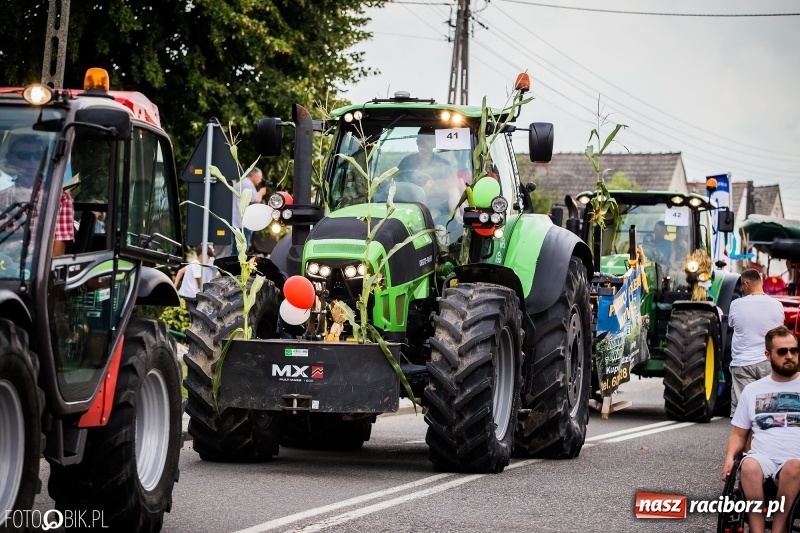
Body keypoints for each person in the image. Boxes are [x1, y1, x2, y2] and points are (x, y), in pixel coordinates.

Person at [722, 325, 800, 533]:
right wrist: (730, 457)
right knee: (748, 466)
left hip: (796, 461)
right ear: (768, 355)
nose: (790, 356)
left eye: (794, 350)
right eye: (782, 352)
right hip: (762, 458)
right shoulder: (752, 391)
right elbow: (739, 434)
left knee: (793, 467)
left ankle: (778, 530)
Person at [0, 134, 73, 256]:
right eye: (25, 156)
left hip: (36, 269)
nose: (32, 161)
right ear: (10, 159)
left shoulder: (60, 199)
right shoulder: (1, 198)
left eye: (37, 156)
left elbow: (57, 252)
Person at [728, 268, 786, 416]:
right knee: (768, 411)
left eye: (742, 285)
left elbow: (732, 325)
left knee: (743, 412)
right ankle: (764, 438)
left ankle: (743, 439)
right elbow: (779, 332)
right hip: (767, 362)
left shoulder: (736, 304)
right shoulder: (777, 305)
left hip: (742, 364)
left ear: (746, 284)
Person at [397, 127, 464, 228]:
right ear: (417, 142)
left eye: (428, 140)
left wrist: (455, 213)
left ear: (434, 143)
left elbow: (452, 192)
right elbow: (397, 186)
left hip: (436, 209)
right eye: (422, 140)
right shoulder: (406, 162)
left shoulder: (444, 166)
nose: (424, 144)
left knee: (438, 222)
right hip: (407, 207)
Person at [229, 167, 267, 256]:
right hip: (244, 222)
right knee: (242, 249)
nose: (260, 181)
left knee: (236, 248)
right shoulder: (248, 185)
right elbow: (256, 200)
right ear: (255, 177)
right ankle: (238, 267)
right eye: (260, 178)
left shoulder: (240, 183)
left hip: (236, 221)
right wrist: (261, 192)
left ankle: (233, 267)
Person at [174, 250, 203, 316]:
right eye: (208, 256)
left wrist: (174, 286)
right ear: (202, 255)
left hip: (187, 294)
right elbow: (198, 278)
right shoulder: (196, 264)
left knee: (192, 314)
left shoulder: (193, 263)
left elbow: (180, 271)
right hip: (193, 294)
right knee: (197, 315)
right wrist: (201, 286)